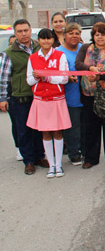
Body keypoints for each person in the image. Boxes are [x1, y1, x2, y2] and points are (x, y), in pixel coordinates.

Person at [0, 19, 47, 175]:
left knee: (39, 128)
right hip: (20, 97)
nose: (23, 34)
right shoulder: (9, 53)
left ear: (30, 30)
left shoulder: (40, 47)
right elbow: (4, 78)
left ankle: (40, 156)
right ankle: (28, 161)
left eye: (25, 30)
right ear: (15, 33)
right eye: (19, 31)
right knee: (24, 130)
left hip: (40, 94)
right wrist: (3, 98)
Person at [75, 22, 105, 169]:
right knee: (90, 127)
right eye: (97, 34)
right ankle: (90, 157)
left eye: (103, 34)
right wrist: (89, 68)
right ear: (93, 36)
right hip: (89, 93)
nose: (100, 37)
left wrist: (99, 77)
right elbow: (78, 64)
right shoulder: (85, 48)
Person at [26, 29, 71, 178]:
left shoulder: (60, 55)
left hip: (56, 98)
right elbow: (30, 80)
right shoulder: (32, 58)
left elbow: (64, 78)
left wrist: (47, 77)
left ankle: (59, 165)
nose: (46, 42)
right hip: (41, 99)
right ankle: (51, 166)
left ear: (52, 40)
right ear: (38, 40)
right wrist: (38, 77)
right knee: (45, 132)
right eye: (43, 39)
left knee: (57, 131)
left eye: (48, 39)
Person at [57, 23, 84, 165]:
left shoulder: (84, 49)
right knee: (73, 126)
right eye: (71, 33)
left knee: (85, 125)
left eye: (77, 33)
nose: (74, 36)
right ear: (65, 35)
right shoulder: (58, 52)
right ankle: (74, 152)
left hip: (86, 93)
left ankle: (85, 149)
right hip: (70, 95)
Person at [6, 35, 22, 161]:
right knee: (17, 124)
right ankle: (19, 148)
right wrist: (3, 98)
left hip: (28, 93)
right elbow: (3, 80)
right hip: (13, 95)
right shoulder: (6, 56)